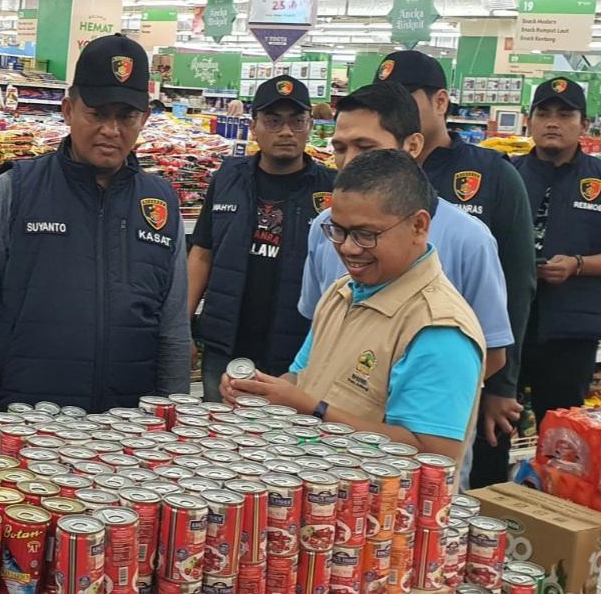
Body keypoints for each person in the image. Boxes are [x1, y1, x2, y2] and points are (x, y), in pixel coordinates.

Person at [0, 34, 191, 416]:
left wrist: (174, 419)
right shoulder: (15, 190)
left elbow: (174, 328)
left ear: (144, 119)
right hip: (24, 423)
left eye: (126, 116)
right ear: (68, 110)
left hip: (127, 432)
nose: (112, 129)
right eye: (97, 113)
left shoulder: (160, 202)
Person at [224, 150, 486, 463]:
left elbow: (431, 455)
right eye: (338, 230)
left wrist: (313, 411)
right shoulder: (342, 293)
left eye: (365, 234)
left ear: (418, 226)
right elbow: (299, 379)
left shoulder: (438, 328)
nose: (348, 248)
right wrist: (261, 391)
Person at [374, 50, 535, 486]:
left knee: (441, 484)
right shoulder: (374, 171)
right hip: (373, 371)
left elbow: (517, 284)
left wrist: (503, 385)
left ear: (441, 102)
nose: (397, 110)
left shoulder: (494, 174)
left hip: (455, 368)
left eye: (407, 97)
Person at [298, 82, 510, 381]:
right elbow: (316, 328)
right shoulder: (324, 227)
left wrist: (411, 400)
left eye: (365, 147)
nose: (349, 161)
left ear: (412, 146)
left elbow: (492, 352)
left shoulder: (470, 240)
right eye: (340, 148)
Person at [188, 75, 335, 391]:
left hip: (298, 350)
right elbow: (202, 252)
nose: (285, 131)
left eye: (297, 121)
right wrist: (182, 324)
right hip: (225, 343)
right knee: (216, 428)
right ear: (253, 126)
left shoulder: (333, 188)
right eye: (273, 121)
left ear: (310, 125)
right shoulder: (228, 178)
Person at [513, 77, 601, 424]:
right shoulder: (507, 173)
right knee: (494, 423)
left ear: (584, 126)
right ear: (528, 121)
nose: (552, 122)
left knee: (563, 427)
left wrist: (578, 265)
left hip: (571, 329)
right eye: (543, 113)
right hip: (510, 323)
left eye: (565, 114)